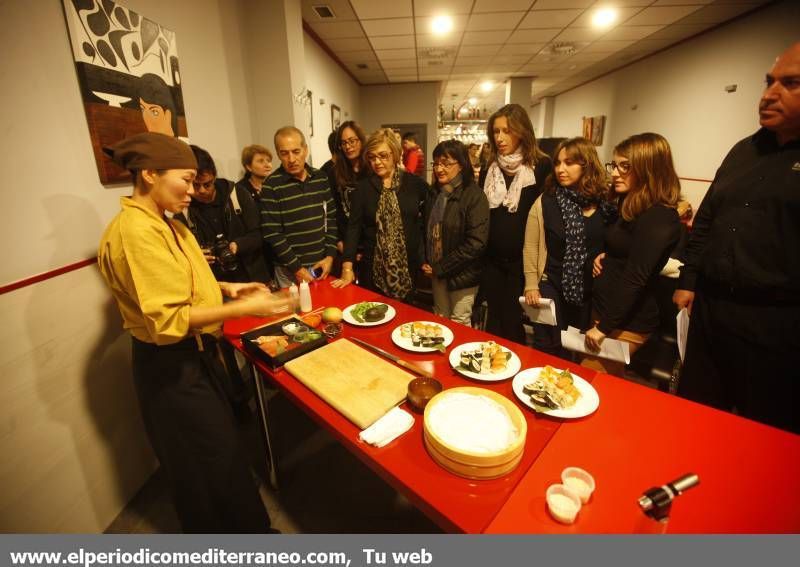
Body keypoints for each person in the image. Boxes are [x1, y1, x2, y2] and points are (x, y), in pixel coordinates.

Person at [97, 132, 290, 533]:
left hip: (194, 356)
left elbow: (182, 281)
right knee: (203, 465)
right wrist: (245, 308)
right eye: (185, 180)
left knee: (222, 453)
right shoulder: (136, 232)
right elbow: (168, 318)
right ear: (149, 174)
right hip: (168, 367)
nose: (192, 190)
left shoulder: (167, 223)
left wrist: (228, 287)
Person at [673, 42, 800, 434]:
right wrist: (689, 280)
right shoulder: (744, 151)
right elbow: (707, 218)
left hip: (777, 322)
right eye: (768, 82)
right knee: (695, 415)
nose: (767, 95)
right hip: (712, 308)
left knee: (764, 432)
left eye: (790, 83)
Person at [583, 133, 681, 376]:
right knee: (600, 382)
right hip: (609, 312)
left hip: (627, 321)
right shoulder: (632, 204)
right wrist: (607, 255)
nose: (615, 173)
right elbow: (627, 250)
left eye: (625, 166)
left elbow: (635, 278)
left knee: (587, 379)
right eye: (614, 165)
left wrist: (604, 327)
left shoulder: (659, 216)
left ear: (649, 169)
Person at [523, 137, 615, 359]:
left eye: (569, 163)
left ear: (587, 164)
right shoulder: (547, 200)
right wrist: (531, 284)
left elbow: (615, 242)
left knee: (576, 350)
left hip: (589, 292)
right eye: (557, 163)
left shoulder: (606, 203)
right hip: (550, 285)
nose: (560, 169)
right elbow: (530, 245)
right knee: (547, 345)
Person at [478, 103, 553, 344]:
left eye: (507, 131)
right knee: (494, 319)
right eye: (496, 132)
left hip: (522, 261)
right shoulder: (489, 167)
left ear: (522, 131)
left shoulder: (540, 166)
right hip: (491, 259)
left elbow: (546, 216)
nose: (500, 138)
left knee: (512, 322)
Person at [333, 128, 428, 301]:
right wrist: (347, 268)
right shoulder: (363, 188)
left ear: (395, 153)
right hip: (372, 270)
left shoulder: (416, 185)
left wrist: (427, 258)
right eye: (372, 157)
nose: (377, 162)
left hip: (409, 267)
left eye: (383, 156)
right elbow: (353, 229)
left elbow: (428, 223)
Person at [177, 145, 271, 284]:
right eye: (196, 185)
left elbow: (259, 234)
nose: (201, 191)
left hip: (253, 277)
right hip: (216, 284)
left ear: (214, 175)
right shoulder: (183, 209)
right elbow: (178, 252)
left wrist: (237, 245)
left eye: (207, 184)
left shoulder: (236, 194)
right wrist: (196, 256)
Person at [422, 140, 489, 325]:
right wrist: (429, 263)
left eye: (446, 163)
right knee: (440, 319)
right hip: (437, 272)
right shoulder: (435, 193)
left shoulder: (474, 196)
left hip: (463, 275)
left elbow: (476, 243)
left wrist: (442, 267)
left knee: (459, 322)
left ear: (461, 165)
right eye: (436, 163)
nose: (439, 169)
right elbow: (425, 229)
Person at [261, 126, 338, 287]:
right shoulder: (271, 185)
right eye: (284, 153)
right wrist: (297, 268)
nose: (291, 159)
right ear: (278, 155)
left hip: (322, 265)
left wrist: (330, 256)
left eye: (296, 151)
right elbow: (273, 233)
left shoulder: (321, 178)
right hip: (288, 272)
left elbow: (331, 219)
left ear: (305, 150)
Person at [330, 121, 368, 253]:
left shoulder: (372, 168)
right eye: (344, 143)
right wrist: (338, 240)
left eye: (352, 141)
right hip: (346, 240)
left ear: (361, 141)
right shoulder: (334, 172)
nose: (348, 146)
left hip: (371, 240)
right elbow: (334, 210)